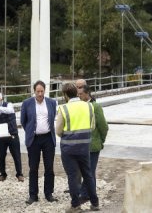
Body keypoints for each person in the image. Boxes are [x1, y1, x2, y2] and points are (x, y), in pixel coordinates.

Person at [56, 83, 100, 212]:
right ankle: (95, 203)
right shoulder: (88, 106)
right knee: (88, 174)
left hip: (68, 149)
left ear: (65, 95)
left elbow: (58, 130)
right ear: (76, 92)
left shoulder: (63, 109)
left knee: (73, 176)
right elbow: (92, 126)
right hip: (84, 147)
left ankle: (75, 205)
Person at [20, 80, 58, 205]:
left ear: (45, 91)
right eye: (38, 91)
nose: (40, 94)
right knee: (33, 168)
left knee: (49, 167)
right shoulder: (27, 103)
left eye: (42, 91)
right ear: (34, 91)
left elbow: (53, 119)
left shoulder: (52, 103)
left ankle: (49, 193)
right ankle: (33, 195)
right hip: (34, 139)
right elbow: (24, 121)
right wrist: (31, 131)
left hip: (48, 138)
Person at [77, 84, 107, 204]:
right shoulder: (80, 106)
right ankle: (89, 193)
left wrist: (101, 140)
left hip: (93, 145)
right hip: (82, 144)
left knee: (89, 170)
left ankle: (86, 194)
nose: (79, 96)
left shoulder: (96, 106)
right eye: (78, 94)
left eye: (81, 94)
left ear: (87, 93)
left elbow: (103, 126)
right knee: (87, 170)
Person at [0, 91, 24, 182]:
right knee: (0, 156)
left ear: (1, 99)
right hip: (0, 136)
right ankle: (2, 174)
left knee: (16, 155)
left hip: (12, 134)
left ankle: (19, 174)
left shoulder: (8, 104)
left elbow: (9, 111)